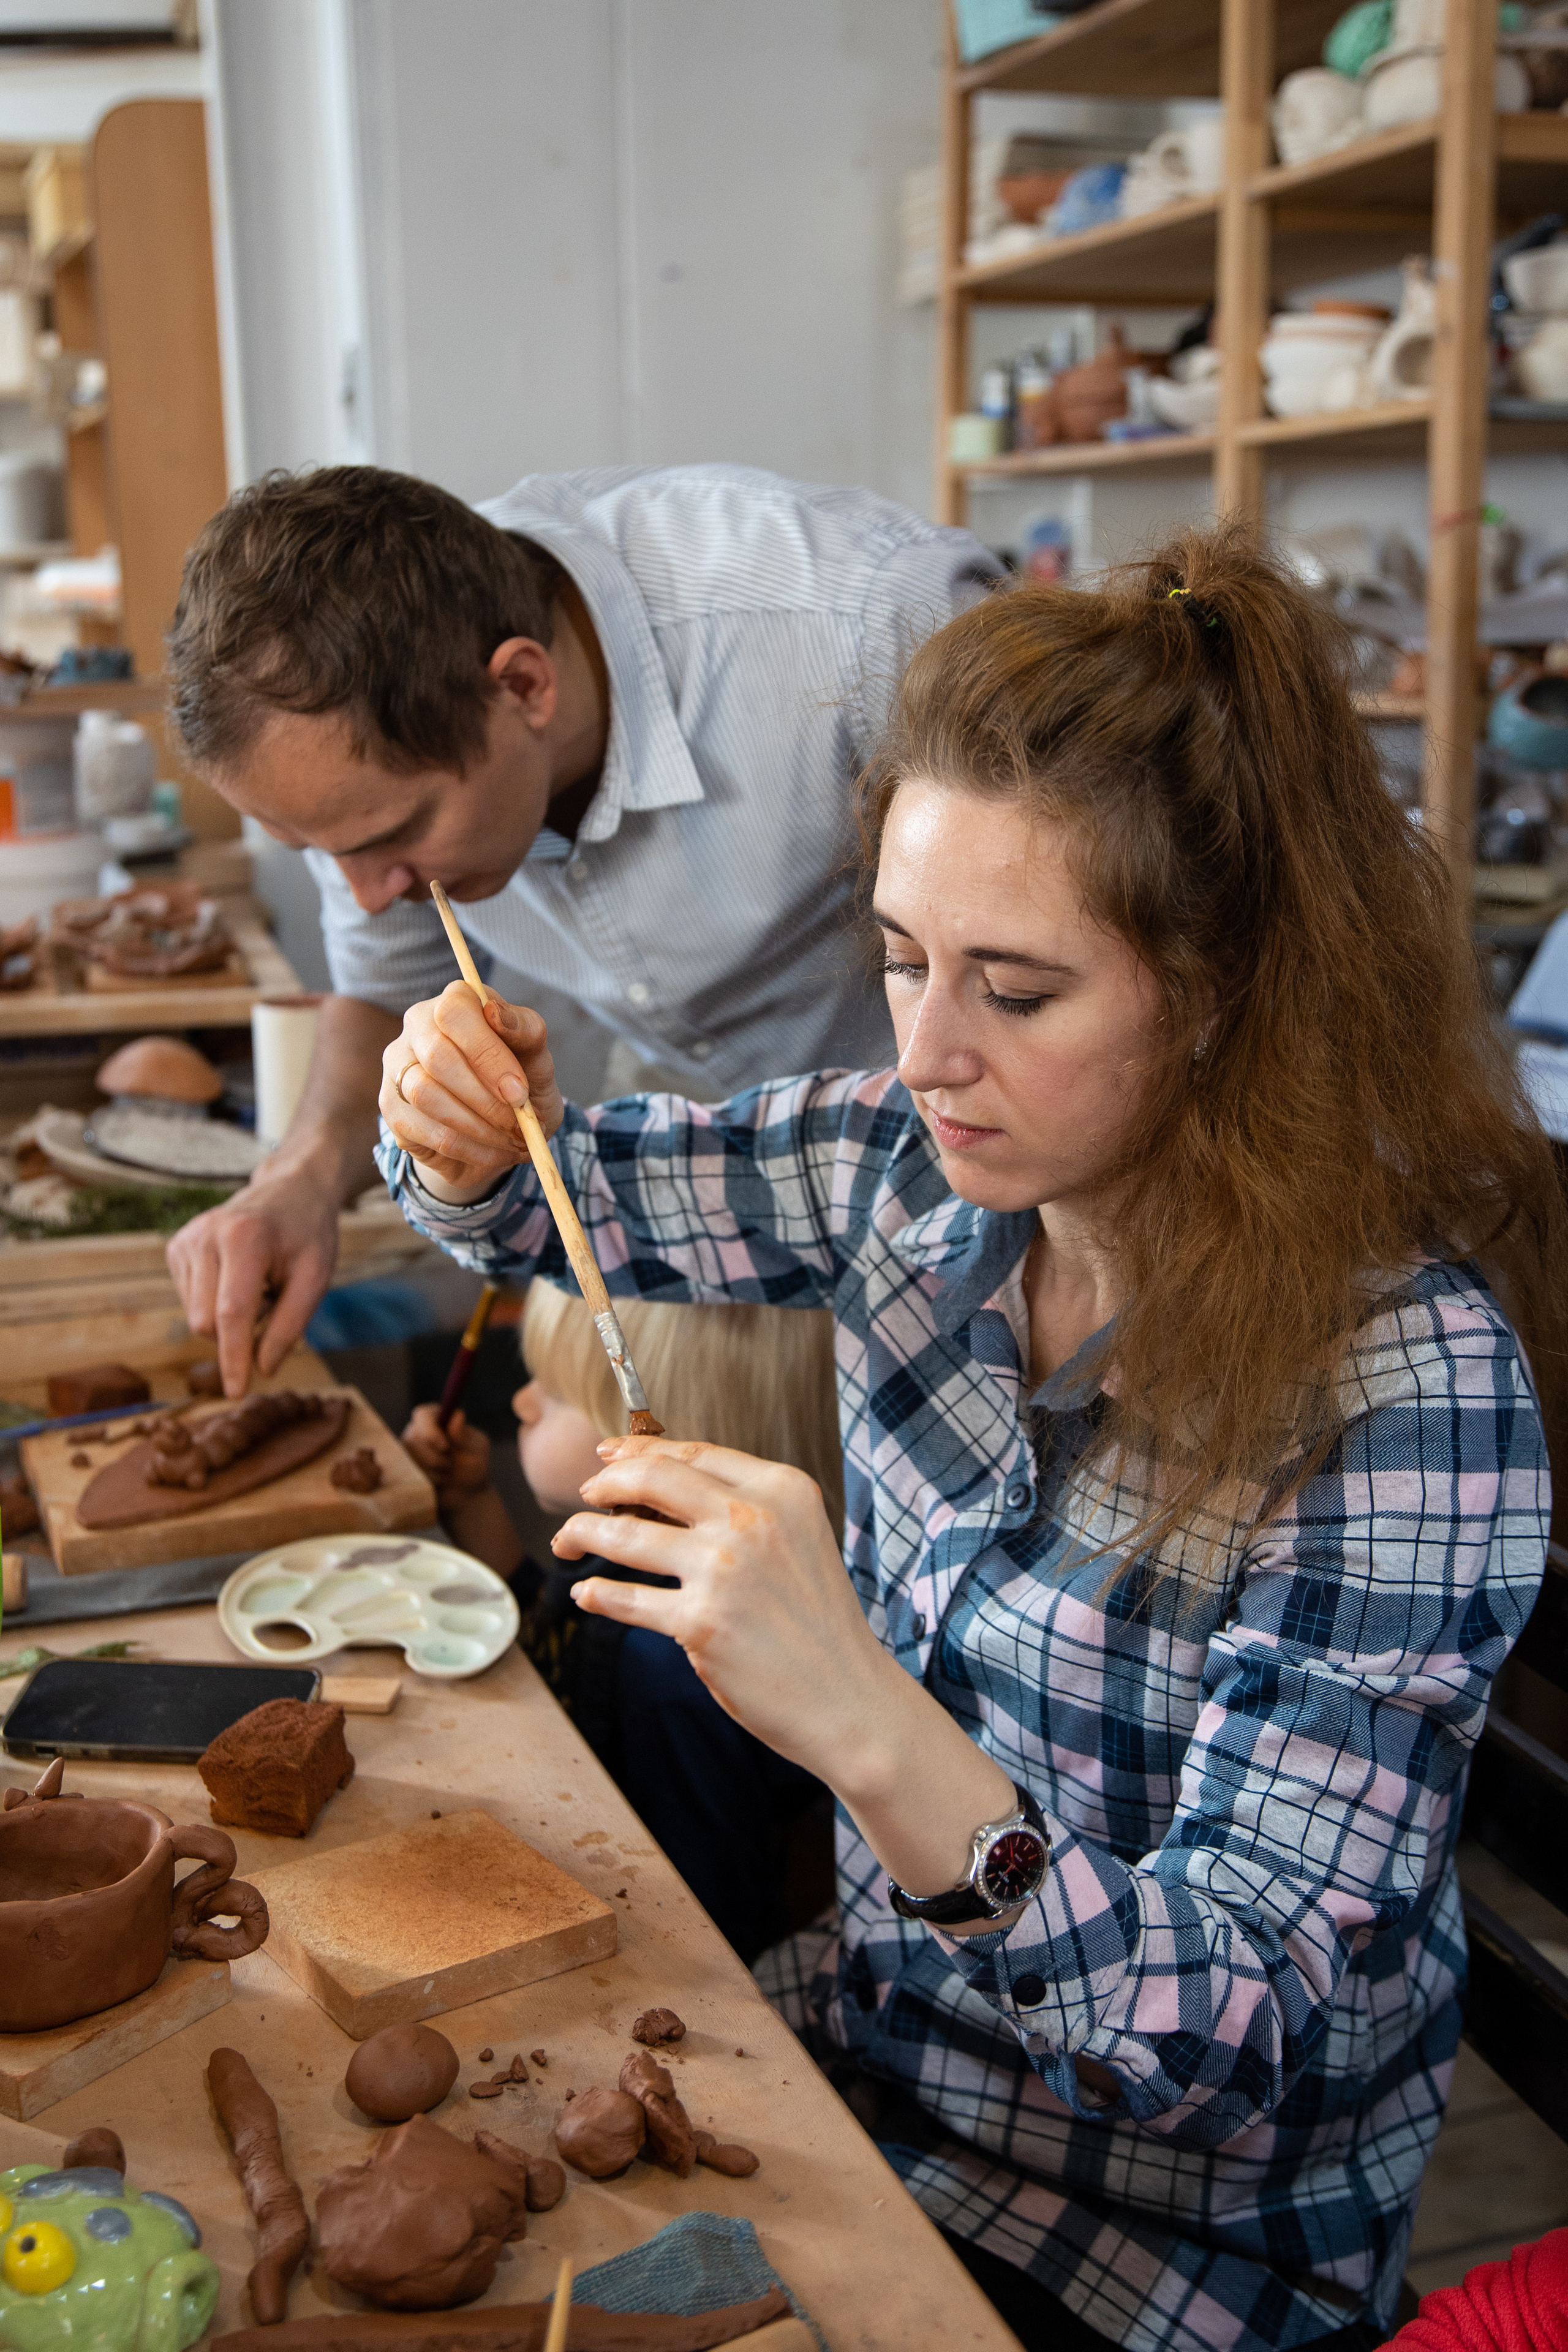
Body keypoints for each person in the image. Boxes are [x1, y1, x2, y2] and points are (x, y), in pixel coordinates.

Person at [370, 526, 1561, 2352]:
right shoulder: (896, 1162)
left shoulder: (1402, 1389)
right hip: (872, 2083)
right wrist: (447, 1120)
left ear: (1232, 988)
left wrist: (857, 1709)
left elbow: (1224, 2038)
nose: (927, 1051)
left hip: (1170, 2261)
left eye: (1013, 990)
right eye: (900, 957)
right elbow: (545, 1206)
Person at [160, 461, 999, 1394]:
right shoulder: (358, 755)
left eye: (391, 836)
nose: (364, 893)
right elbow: (380, 990)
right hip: (725, 1186)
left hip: (983, 1159)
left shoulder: (869, 626)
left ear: (523, 687)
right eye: (312, 847)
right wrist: (302, 1179)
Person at [399, 1278, 843, 1958]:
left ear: (664, 1439)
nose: (519, 1402)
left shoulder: (675, 1673)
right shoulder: (637, 1562)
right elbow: (557, 1648)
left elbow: (709, 1915)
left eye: (553, 1393)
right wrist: (473, 1503)